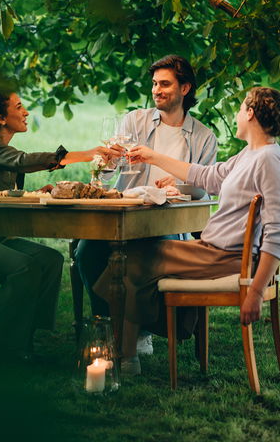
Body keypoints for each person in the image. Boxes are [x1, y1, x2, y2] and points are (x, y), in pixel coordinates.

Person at [95, 86, 280, 375]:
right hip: (212, 252)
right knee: (133, 255)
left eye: (240, 109)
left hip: (225, 258)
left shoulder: (269, 161)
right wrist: (152, 157)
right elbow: (207, 176)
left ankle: (125, 355)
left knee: (131, 259)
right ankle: (130, 349)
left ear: (250, 113)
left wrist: (255, 289)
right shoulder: (250, 155)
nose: (238, 115)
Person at [0, 87, 120, 361]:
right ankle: (6, 346)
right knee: (26, 266)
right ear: (0, 118)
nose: (26, 112)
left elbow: (1, 192)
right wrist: (84, 154)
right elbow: (22, 162)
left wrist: (37, 192)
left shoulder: (1, 149)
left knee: (50, 259)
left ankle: (27, 335)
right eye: (19, 107)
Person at [75, 55, 218, 355]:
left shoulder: (204, 137)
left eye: (165, 84)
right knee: (86, 252)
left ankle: (138, 328)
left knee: (148, 259)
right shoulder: (134, 121)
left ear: (185, 88)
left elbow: (203, 191)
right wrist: (107, 160)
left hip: (167, 221)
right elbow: (108, 172)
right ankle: (109, 326)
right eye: (154, 84)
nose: (156, 90)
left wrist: (178, 187)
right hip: (124, 215)